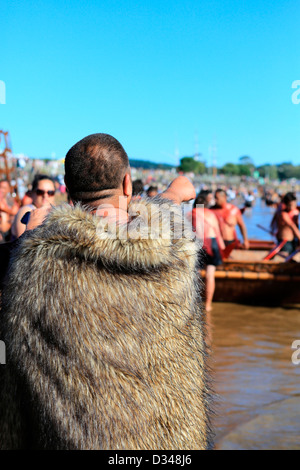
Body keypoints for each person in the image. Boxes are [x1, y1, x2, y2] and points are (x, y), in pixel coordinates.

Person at [0, 133, 212, 450]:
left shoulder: (35, 264)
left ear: (67, 192)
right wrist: (167, 195)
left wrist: (24, 244)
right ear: (127, 184)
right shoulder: (175, 248)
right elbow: (175, 198)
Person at [191, 192, 225, 315]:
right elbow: (218, 233)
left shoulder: (193, 213)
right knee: (210, 274)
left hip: (199, 245)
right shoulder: (211, 214)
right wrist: (223, 248)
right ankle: (208, 305)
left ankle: (193, 303)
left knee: (195, 274)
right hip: (213, 243)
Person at [10, 175, 56, 239]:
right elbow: (22, 243)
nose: (45, 196)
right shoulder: (27, 211)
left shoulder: (54, 212)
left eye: (50, 192)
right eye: (40, 192)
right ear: (32, 193)